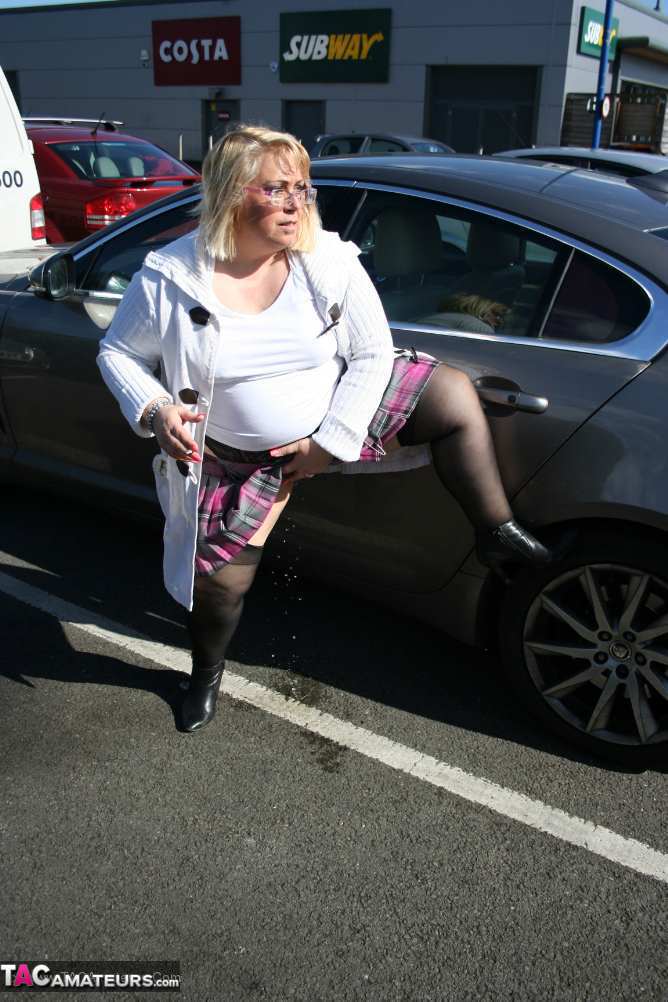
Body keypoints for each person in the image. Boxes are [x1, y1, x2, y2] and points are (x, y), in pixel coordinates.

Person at [97, 124, 558, 734]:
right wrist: (156, 410)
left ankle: (495, 531)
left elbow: (373, 353)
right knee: (218, 589)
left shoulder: (328, 260)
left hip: (331, 421)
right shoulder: (169, 278)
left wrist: (329, 445)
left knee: (450, 395)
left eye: (303, 188)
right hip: (239, 460)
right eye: (278, 189)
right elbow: (118, 353)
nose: (298, 203)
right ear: (232, 192)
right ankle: (204, 674)